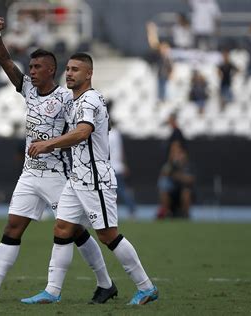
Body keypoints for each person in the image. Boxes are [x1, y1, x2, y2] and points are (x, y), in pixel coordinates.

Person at [0, 17, 115, 304]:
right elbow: (5, 60)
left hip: (59, 174)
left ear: (51, 70)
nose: (30, 71)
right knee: (13, 226)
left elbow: (83, 128)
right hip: (30, 174)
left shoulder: (69, 99)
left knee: (77, 232)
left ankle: (106, 283)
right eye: (29, 67)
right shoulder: (27, 89)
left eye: (36, 67)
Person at [22, 53, 158, 305]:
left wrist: (48, 144)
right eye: (69, 69)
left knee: (108, 235)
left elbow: (83, 132)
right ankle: (52, 291)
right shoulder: (76, 101)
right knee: (62, 229)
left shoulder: (90, 100)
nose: (70, 73)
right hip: (77, 178)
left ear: (89, 74)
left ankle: (146, 287)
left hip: (95, 179)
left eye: (76, 69)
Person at [157, 141, 195, 218]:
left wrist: (177, 176)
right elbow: (162, 178)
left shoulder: (188, 164)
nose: (175, 154)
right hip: (172, 192)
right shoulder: (168, 165)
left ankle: (185, 215)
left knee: (186, 193)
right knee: (163, 190)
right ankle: (166, 213)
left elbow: (191, 179)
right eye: (173, 151)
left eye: (178, 151)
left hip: (184, 191)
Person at [109, 118, 136, 218]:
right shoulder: (116, 133)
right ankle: (132, 209)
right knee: (122, 190)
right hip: (118, 166)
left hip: (109, 166)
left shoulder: (106, 134)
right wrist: (124, 165)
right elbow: (121, 151)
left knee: (112, 191)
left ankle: (112, 213)